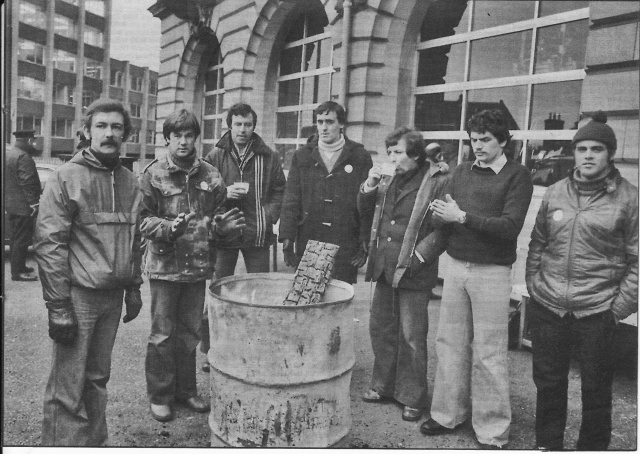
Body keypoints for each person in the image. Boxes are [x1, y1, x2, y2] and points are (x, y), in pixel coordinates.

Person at [421, 109, 533, 449]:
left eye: (485, 140)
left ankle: (492, 428)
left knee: (489, 351)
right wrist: (441, 214)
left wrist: (462, 216)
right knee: (449, 344)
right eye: (473, 139)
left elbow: (509, 227)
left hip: (492, 272)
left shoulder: (518, 176)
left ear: (503, 141)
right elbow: (446, 217)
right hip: (455, 266)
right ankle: (447, 414)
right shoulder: (461, 171)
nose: (478, 146)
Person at [525, 112, 638, 450]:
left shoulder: (629, 199)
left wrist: (617, 308)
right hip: (549, 306)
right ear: (573, 153)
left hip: (597, 311)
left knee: (597, 388)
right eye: (582, 148)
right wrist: (534, 284)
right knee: (548, 383)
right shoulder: (555, 192)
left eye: (597, 148)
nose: (588, 155)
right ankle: (547, 444)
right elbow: (538, 243)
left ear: (610, 154)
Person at [34, 100, 144, 446]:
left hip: (112, 298)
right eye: (101, 126)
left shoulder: (130, 181)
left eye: (116, 127)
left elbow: (135, 238)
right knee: (67, 386)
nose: (109, 133)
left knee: (97, 379)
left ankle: (94, 444)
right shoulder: (66, 177)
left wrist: (134, 288)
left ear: (125, 133)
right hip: (78, 298)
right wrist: (59, 306)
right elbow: (50, 244)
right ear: (86, 131)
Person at [139, 109, 245, 422]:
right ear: (168, 138)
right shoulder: (153, 174)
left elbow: (216, 217)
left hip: (198, 268)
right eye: (177, 136)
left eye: (189, 136)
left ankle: (186, 391)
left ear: (196, 138)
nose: (184, 142)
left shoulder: (210, 175)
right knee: (162, 334)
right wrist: (167, 229)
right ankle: (161, 395)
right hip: (165, 266)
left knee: (190, 332)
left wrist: (221, 228)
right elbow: (143, 220)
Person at [358, 128, 451, 422]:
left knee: (412, 335)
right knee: (381, 326)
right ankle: (383, 385)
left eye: (397, 152)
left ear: (415, 154)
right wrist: (369, 185)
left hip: (414, 268)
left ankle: (412, 396)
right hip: (386, 264)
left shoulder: (436, 180)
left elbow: (443, 229)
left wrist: (420, 256)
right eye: (390, 153)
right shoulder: (387, 177)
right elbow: (363, 211)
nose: (392, 158)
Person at [200, 103, 285, 371]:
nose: (242, 130)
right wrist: (224, 193)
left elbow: (280, 191)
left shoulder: (268, 156)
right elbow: (202, 190)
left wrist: (268, 215)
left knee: (260, 293)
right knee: (219, 292)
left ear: (253, 126)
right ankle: (213, 350)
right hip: (224, 232)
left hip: (256, 232)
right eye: (237, 124)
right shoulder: (215, 155)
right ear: (229, 125)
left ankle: (256, 349)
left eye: (247, 124)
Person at [279, 101, 373, 283]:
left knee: (340, 296)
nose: (323, 127)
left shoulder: (359, 156)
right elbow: (291, 199)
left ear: (342, 124)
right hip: (310, 236)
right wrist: (287, 236)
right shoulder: (303, 156)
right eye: (320, 122)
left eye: (329, 122)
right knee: (307, 294)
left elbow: (367, 204)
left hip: (345, 238)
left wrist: (364, 239)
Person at [5, 129, 41, 281]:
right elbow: (27, 182)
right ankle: (17, 273)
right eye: (33, 141)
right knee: (22, 239)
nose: (34, 143)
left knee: (15, 238)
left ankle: (19, 267)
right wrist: (34, 203)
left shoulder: (8, 154)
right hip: (23, 207)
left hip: (11, 205)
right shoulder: (23, 157)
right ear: (28, 141)